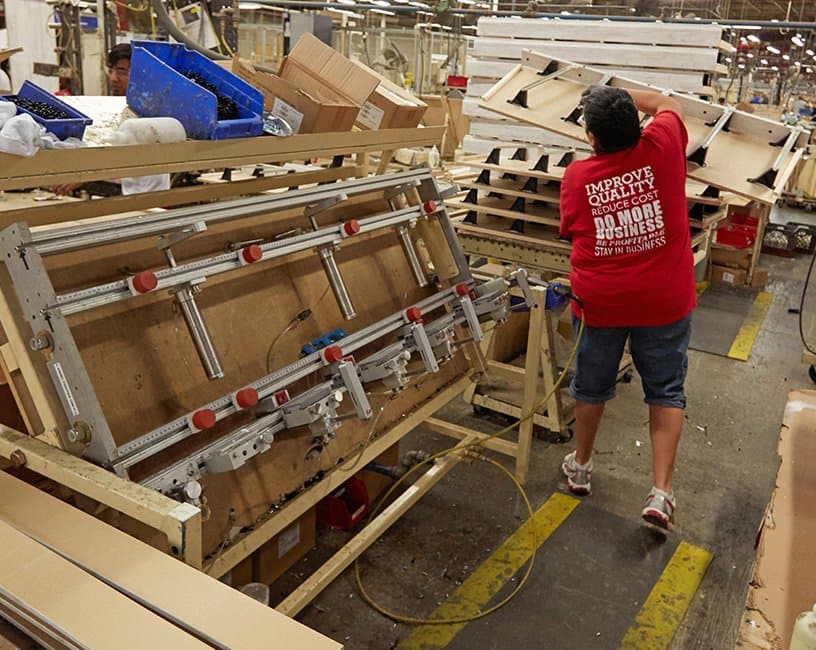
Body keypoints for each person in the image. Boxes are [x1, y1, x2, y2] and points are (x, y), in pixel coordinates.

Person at [558, 86, 696, 530]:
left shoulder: (578, 177)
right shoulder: (664, 144)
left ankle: (581, 468)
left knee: (591, 385)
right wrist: (619, 89)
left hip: (603, 302)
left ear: (593, 137)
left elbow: (570, 230)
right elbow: (669, 104)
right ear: (636, 124)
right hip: (664, 299)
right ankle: (661, 494)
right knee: (665, 392)